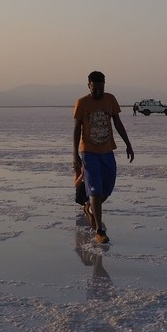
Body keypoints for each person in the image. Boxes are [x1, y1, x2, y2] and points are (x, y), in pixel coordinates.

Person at [73, 70, 134, 244]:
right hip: (89, 152)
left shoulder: (110, 99)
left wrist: (128, 143)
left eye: (101, 89)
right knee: (95, 190)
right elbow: (77, 129)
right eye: (94, 90)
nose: (98, 93)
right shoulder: (82, 103)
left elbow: (117, 122)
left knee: (107, 188)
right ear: (88, 86)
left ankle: (90, 209)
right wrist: (74, 154)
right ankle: (99, 230)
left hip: (107, 151)